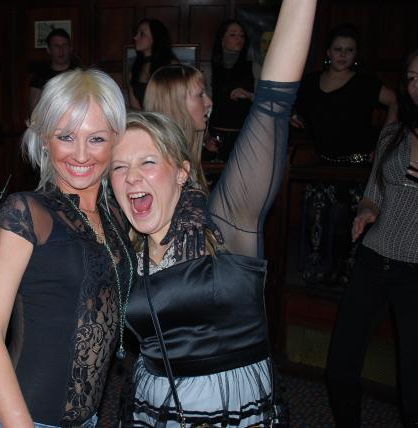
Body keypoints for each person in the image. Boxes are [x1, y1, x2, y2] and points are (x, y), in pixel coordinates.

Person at [110, 0, 315, 423]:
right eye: (119, 167)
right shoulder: (121, 241)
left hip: (231, 407)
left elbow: (272, 105)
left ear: (181, 172)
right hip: (152, 405)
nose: (132, 178)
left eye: (147, 162)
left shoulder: (223, 221)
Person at [0, 68, 134, 428]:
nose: (81, 154)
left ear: (116, 140)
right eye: (66, 136)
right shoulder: (28, 212)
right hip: (20, 420)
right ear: (45, 138)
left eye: (96, 138)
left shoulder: (118, 218)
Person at [326, 49, 418, 427]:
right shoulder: (393, 134)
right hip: (373, 258)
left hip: (415, 271)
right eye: (411, 78)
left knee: (413, 384)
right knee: (340, 367)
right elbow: (373, 193)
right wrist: (365, 211)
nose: (416, 86)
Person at [292, 24, 398, 163]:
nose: (343, 54)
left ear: (355, 54)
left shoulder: (365, 83)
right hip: (322, 164)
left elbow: (395, 100)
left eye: (349, 50)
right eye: (338, 49)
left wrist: (385, 141)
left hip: (362, 165)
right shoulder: (309, 82)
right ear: (328, 52)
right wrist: (291, 115)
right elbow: (290, 105)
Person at [143, 64, 213, 189]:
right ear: (175, 103)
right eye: (200, 95)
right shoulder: (160, 165)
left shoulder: (181, 155)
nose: (209, 102)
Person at [203, 20, 258, 161]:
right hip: (216, 135)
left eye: (242, 35)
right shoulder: (209, 69)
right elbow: (202, 106)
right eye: (233, 35)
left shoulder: (254, 67)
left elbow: (267, 101)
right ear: (222, 40)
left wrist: (249, 95)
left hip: (246, 135)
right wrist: (205, 136)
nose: (239, 39)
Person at [128, 19, 178, 111]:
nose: (135, 37)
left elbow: (178, 101)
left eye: (142, 34)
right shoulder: (135, 69)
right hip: (144, 119)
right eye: (136, 33)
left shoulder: (171, 66)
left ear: (156, 38)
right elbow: (135, 108)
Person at [29, 28, 79, 113]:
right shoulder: (40, 76)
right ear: (49, 50)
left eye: (64, 45)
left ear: (70, 48)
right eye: (56, 46)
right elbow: (34, 110)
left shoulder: (80, 74)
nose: (61, 50)